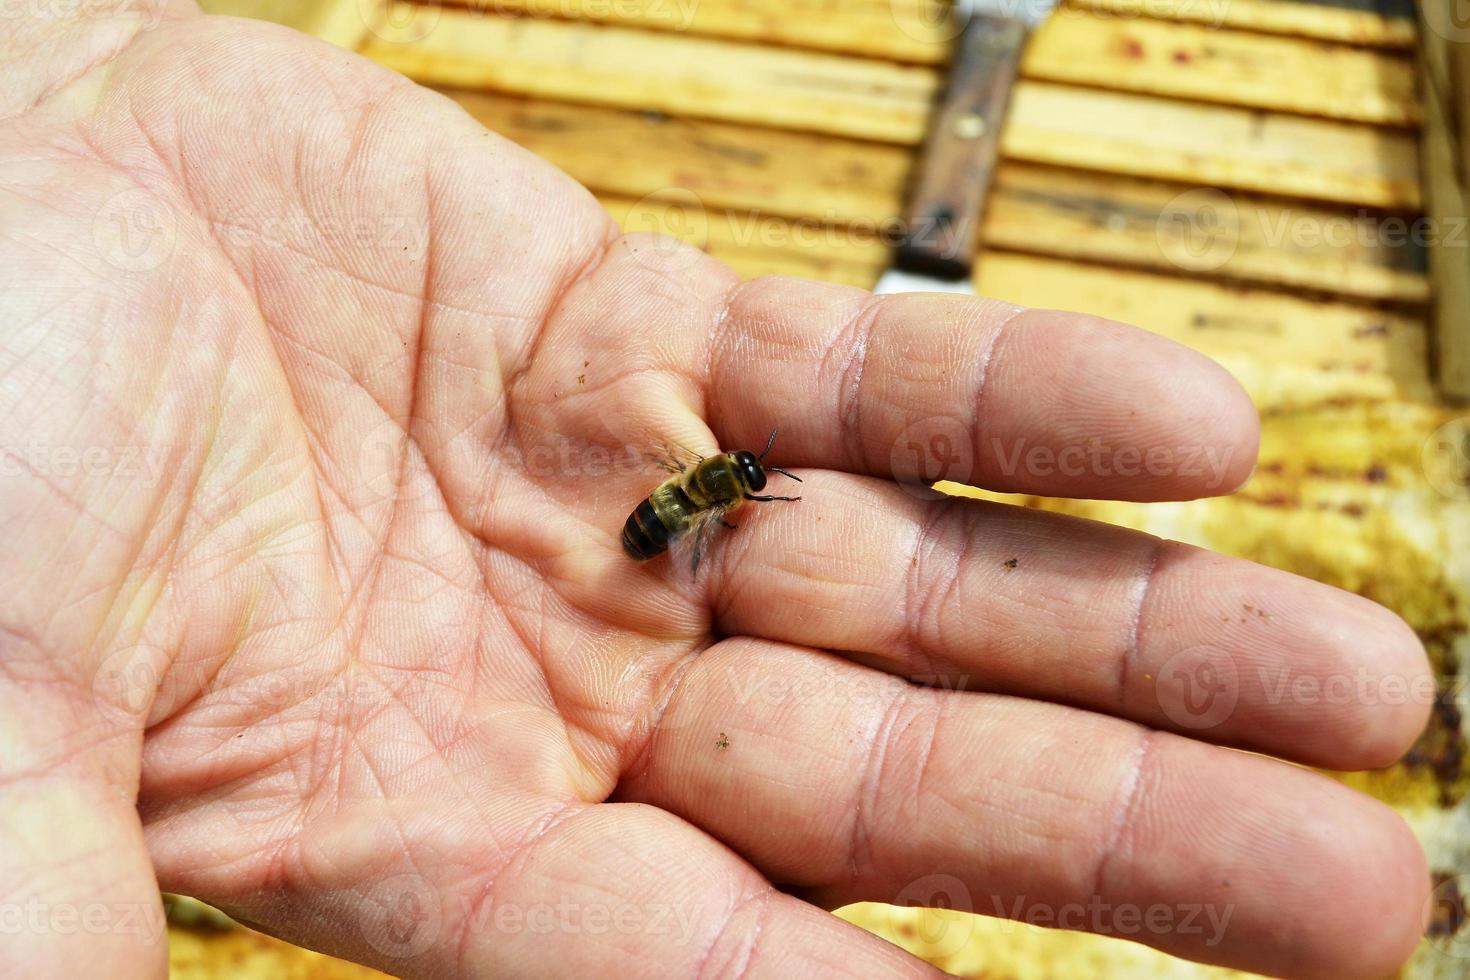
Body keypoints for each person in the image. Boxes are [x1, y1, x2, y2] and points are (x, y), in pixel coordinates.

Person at [0, 4, 1433, 978]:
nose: (737, 485)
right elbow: (688, 516)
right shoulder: (705, 494)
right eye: (738, 481)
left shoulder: (711, 491)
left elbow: (697, 511)